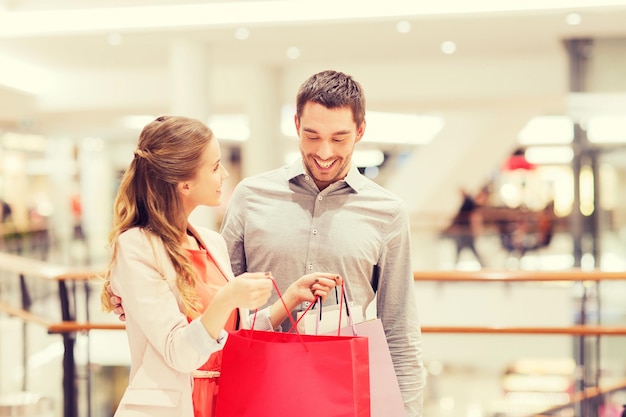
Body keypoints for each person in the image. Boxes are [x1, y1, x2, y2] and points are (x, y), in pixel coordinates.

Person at [100, 115, 340, 417]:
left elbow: (232, 337)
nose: (224, 174)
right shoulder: (137, 246)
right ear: (184, 182)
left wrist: (290, 298)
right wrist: (227, 298)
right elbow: (180, 353)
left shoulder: (212, 243)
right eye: (214, 167)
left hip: (228, 402)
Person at [220, 70, 424, 416]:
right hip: (258, 387)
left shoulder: (387, 212)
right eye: (311, 136)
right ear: (296, 124)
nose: (324, 152)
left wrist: (408, 410)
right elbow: (219, 296)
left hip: (341, 396)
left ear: (360, 130)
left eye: (339, 138)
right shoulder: (251, 196)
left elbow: (399, 326)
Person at [445, 188, 487, 268]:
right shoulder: (469, 204)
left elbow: (473, 219)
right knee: (461, 252)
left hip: (466, 233)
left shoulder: (469, 204)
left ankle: (484, 266)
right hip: (464, 233)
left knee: (468, 252)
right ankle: (484, 266)